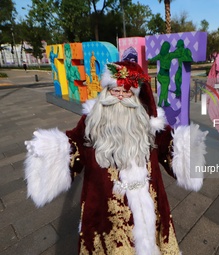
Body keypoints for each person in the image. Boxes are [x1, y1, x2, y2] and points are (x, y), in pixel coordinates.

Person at [24, 61, 208, 255]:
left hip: (148, 206)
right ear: (106, 91)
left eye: (127, 91)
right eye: (114, 90)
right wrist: (48, 149)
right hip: (105, 209)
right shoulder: (91, 121)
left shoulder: (148, 123)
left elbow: (169, 145)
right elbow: (73, 145)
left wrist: (187, 145)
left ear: (135, 96)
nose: (120, 96)